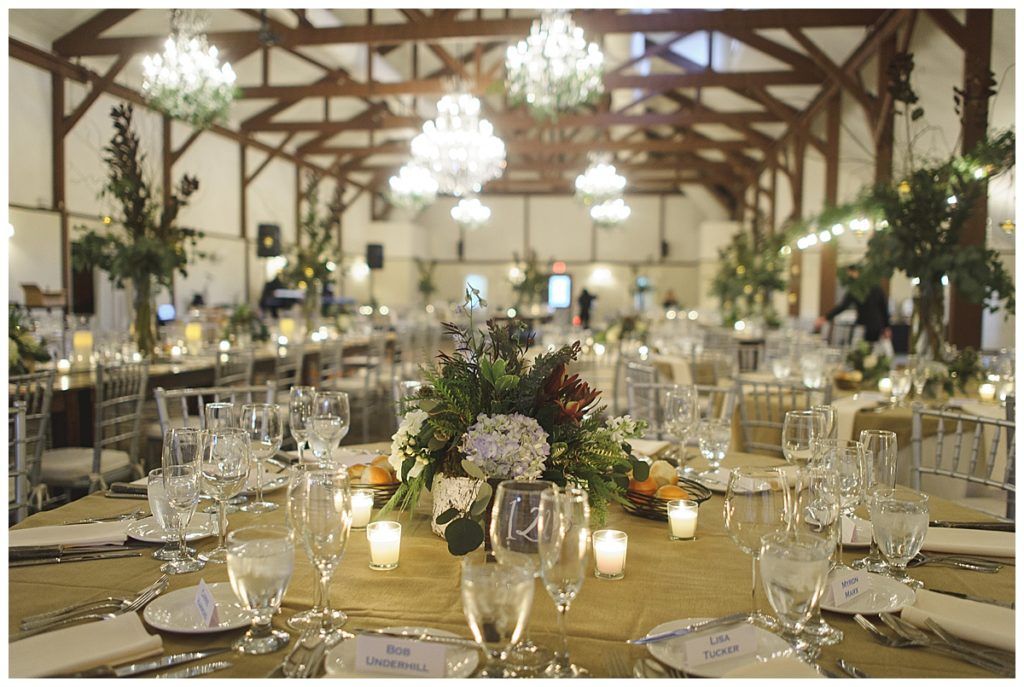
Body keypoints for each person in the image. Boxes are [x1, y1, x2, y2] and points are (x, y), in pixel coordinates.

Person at [816, 264, 891, 342]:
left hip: (865, 325)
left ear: (856, 272)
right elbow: (884, 307)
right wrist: (886, 326)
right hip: (876, 324)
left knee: (863, 346)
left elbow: (843, 306)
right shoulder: (875, 286)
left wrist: (826, 317)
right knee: (869, 346)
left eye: (850, 273)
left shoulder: (856, 289)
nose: (849, 276)